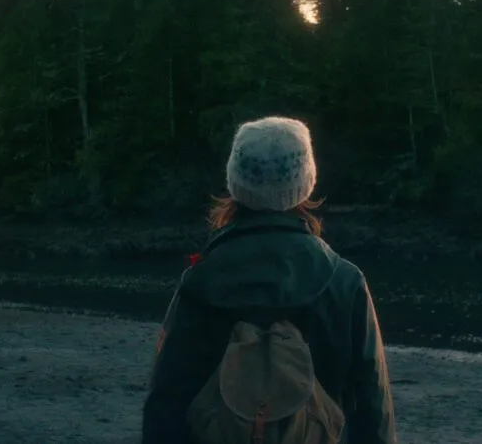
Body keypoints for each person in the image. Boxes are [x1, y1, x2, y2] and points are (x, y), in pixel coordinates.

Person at [142, 116, 398, 443]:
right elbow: (372, 408)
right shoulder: (345, 283)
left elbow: (166, 405)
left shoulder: (198, 283)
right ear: (306, 182)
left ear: (235, 182)